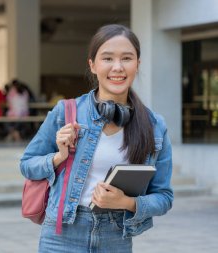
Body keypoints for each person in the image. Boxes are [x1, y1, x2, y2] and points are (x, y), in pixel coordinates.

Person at [20, 24, 173, 252]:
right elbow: (27, 165)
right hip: (62, 235)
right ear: (93, 65)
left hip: (116, 236)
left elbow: (164, 196)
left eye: (127, 58)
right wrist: (58, 157)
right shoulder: (66, 112)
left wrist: (126, 202)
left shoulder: (154, 125)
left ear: (138, 64)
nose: (118, 67)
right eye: (108, 58)